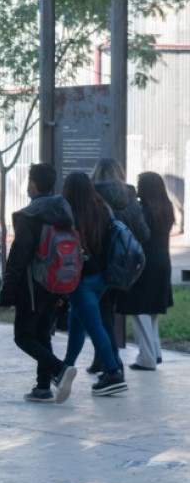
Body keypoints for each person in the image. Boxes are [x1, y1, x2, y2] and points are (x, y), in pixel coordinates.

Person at [0, 163, 78, 404]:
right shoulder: (64, 211)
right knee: (43, 333)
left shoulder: (30, 215)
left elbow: (18, 258)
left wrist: (7, 293)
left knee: (23, 336)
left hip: (32, 286)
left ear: (32, 183)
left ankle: (60, 369)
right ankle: (43, 387)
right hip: (56, 282)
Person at [60, 172, 126, 396]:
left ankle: (112, 371)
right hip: (101, 278)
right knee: (77, 321)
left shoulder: (69, 212)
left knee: (94, 325)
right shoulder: (103, 209)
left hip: (81, 279)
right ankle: (66, 367)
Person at [87, 158, 150, 373]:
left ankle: (111, 362)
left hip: (96, 264)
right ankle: (103, 359)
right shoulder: (131, 198)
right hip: (122, 266)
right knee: (107, 312)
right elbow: (143, 233)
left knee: (98, 314)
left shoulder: (92, 196)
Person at [117, 172, 174, 371]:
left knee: (139, 309)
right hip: (163, 261)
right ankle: (155, 351)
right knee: (152, 310)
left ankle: (147, 357)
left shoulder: (141, 210)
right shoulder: (166, 208)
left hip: (144, 263)